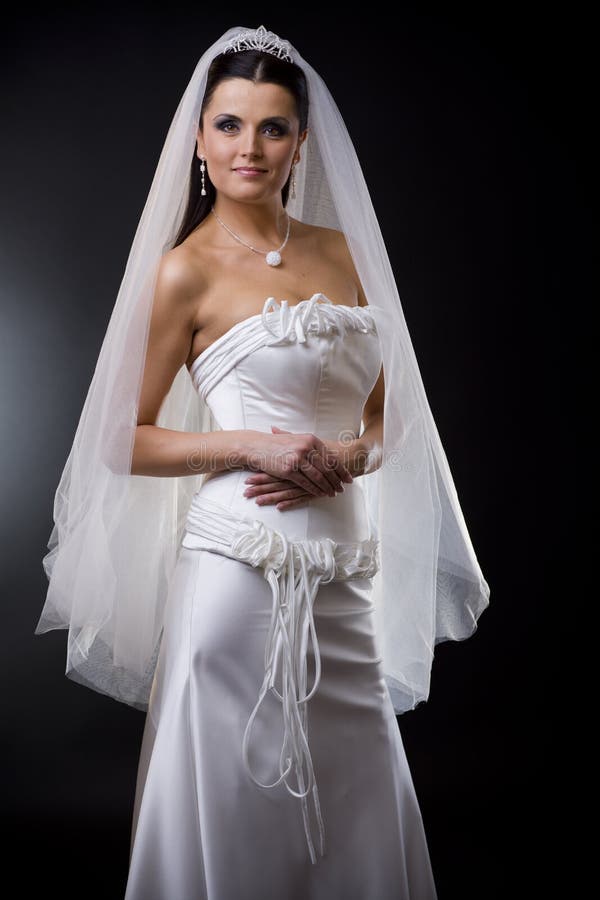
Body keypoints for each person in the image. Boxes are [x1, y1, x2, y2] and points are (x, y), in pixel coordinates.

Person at [35, 24, 490, 900]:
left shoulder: (345, 253)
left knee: (355, 786)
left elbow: (392, 417)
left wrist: (349, 457)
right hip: (233, 572)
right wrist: (248, 443)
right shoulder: (184, 274)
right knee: (230, 785)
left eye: (273, 128)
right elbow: (117, 438)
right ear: (199, 139)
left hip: (342, 576)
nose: (251, 147)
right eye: (230, 125)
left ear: (301, 142)